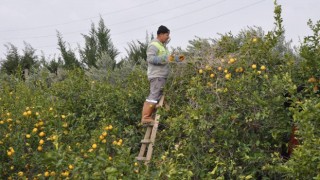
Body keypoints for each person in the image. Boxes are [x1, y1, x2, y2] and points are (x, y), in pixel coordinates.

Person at [141, 25, 184, 124]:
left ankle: (153, 115)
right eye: (166, 35)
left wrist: (177, 58)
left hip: (161, 75)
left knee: (157, 96)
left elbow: (167, 58)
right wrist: (165, 58)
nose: (168, 37)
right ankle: (146, 117)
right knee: (154, 95)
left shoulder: (162, 46)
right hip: (156, 75)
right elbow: (150, 59)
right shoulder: (154, 45)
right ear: (160, 34)